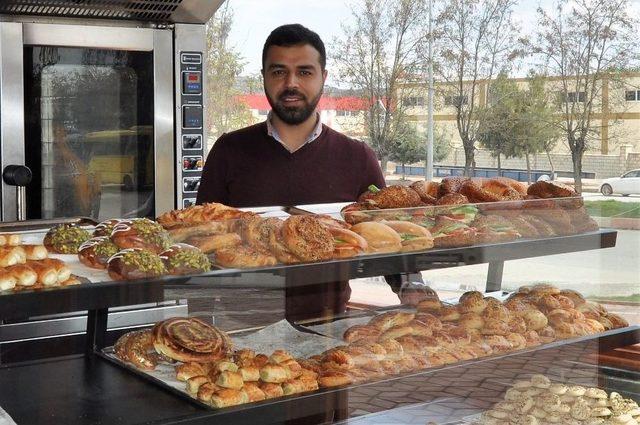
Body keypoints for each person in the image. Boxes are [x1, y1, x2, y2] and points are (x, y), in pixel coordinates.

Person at [197, 24, 385, 321]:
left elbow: (386, 236)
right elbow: (201, 243)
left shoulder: (357, 157)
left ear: (324, 77)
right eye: (278, 72)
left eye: (305, 72)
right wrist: (201, 323)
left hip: (328, 327)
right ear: (264, 78)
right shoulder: (229, 150)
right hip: (240, 328)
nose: (291, 83)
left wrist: (414, 288)